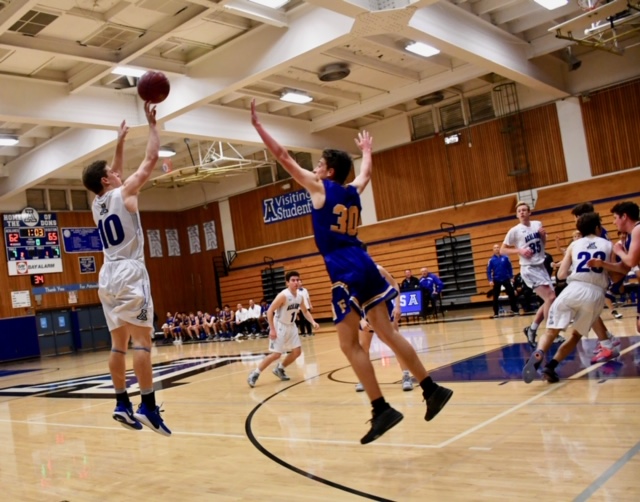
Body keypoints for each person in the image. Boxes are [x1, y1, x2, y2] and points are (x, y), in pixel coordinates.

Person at [251, 99, 453, 445]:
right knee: (387, 332)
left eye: (319, 164)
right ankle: (430, 388)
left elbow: (284, 157)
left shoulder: (320, 189)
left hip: (345, 270)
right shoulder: (352, 191)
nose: (314, 168)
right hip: (365, 259)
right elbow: (366, 174)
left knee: (348, 344)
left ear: (328, 171)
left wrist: (258, 128)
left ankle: (381, 408)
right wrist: (367, 151)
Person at [82, 102, 170, 436]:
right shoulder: (127, 191)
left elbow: (113, 172)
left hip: (107, 274)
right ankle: (147, 405)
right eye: (114, 171)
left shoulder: (97, 202)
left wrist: (119, 142)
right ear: (108, 179)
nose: (120, 171)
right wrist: (152, 127)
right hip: (131, 272)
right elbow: (149, 160)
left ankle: (121, 402)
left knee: (117, 345)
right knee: (143, 344)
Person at [523, 213, 613, 384]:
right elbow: (615, 276)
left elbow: (561, 274)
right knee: (575, 336)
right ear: (597, 228)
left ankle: (539, 353)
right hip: (594, 294)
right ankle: (551, 367)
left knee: (551, 332)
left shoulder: (574, 244)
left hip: (573, 289)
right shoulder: (608, 245)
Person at [247, 271, 318, 388]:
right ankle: (255, 373)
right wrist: (272, 329)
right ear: (287, 283)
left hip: (291, 325)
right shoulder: (283, 295)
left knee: (297, 352)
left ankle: (279, 369)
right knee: (276, 354)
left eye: (297, 280)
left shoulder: (300, 297)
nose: (296, 282)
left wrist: (313, 322)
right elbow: (270, 311)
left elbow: (305, 311)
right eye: (293, 280)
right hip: (279, 325)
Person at [570, 202, 621, 362]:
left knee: (586, 309)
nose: (575, 221)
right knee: (590, 311)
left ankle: (607, 339)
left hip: (603, 276)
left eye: (577, 218)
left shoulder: (597, 235)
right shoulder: (597, 232)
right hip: (601, 275)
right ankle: (606, 339)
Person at [501, 202, 556, 347]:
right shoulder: (514, 231)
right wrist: (519, 251)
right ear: (517, 214)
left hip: (541, 266)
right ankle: (551, 333)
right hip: (529, 268)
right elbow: (502, 250)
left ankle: (531, 329)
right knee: (551, 297)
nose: (522, 212)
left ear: (529, 212)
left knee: (549, 300)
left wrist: (543, 237)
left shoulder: (537, 224)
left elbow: (543, 245)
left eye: (524, 210)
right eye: (519, 211)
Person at [355, 263, 414, 392]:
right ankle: (364, 379)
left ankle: (406, 376)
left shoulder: (379, 270)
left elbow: (394, 285)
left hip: (385, 310)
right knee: (363, 346)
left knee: (396, 344)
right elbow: (351, 300)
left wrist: (398, 306)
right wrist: (360, 319)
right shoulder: (351, 274)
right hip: (366, 312)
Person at [588, 201, 639, 334]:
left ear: (624, 217)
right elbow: (625, 268)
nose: (613, 222)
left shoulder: (638, 229)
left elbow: (632, 261)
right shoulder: (629, 236)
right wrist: (603, 264)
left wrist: (619, 251)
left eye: (615, 218)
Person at [486, 244, 518, 317]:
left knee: (512, 294)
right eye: (495, 248)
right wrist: (490, 280)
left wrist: (511, 277)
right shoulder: (491, 260)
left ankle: (515, 309)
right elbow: (489, 271)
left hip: (506, 278)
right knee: (495, 296)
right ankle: (496, 312)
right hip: (496, 279)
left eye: (498, 247)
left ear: (500, 248)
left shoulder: (506, 257)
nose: (497, 249)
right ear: (493, 250)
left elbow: (510, 268)